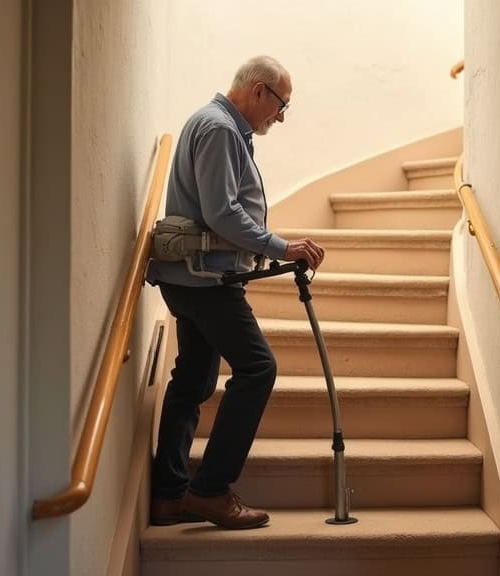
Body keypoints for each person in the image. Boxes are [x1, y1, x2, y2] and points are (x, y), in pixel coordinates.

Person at [146, 55, 324, 530]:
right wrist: (282, 246)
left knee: (193, 381)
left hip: (191, 278)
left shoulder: (219, 126)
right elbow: (222, 213)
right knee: (258, 368)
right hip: (206, 281)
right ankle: (210, 490)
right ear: (260, 90)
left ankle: (169, 495)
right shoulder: (221, 129)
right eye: (281, 105)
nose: (280, 117)